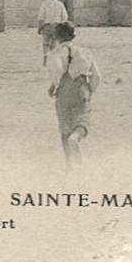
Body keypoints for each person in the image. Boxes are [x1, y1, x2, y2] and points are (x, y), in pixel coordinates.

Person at [47, 21, 100, 168]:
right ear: (73, 36)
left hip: (63, 91)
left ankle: (69, 164)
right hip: (80, 88)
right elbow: (97, 76)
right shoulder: (84, 52)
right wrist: (89, 89)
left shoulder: (55, 53)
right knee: (82, 119)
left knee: (65, 125)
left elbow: (56, 71)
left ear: (57, 37)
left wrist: (54, 85)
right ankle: (76, 138)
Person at [37, 0, 68, 64]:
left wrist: (39, 27)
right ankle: (52, 59)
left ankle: (46, 55)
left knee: (45, 43)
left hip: (46, 26)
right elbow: (65, 17)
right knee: (54, 43)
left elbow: (41, 16)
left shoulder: (44, 3)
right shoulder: (60, 4)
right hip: (56, 26)